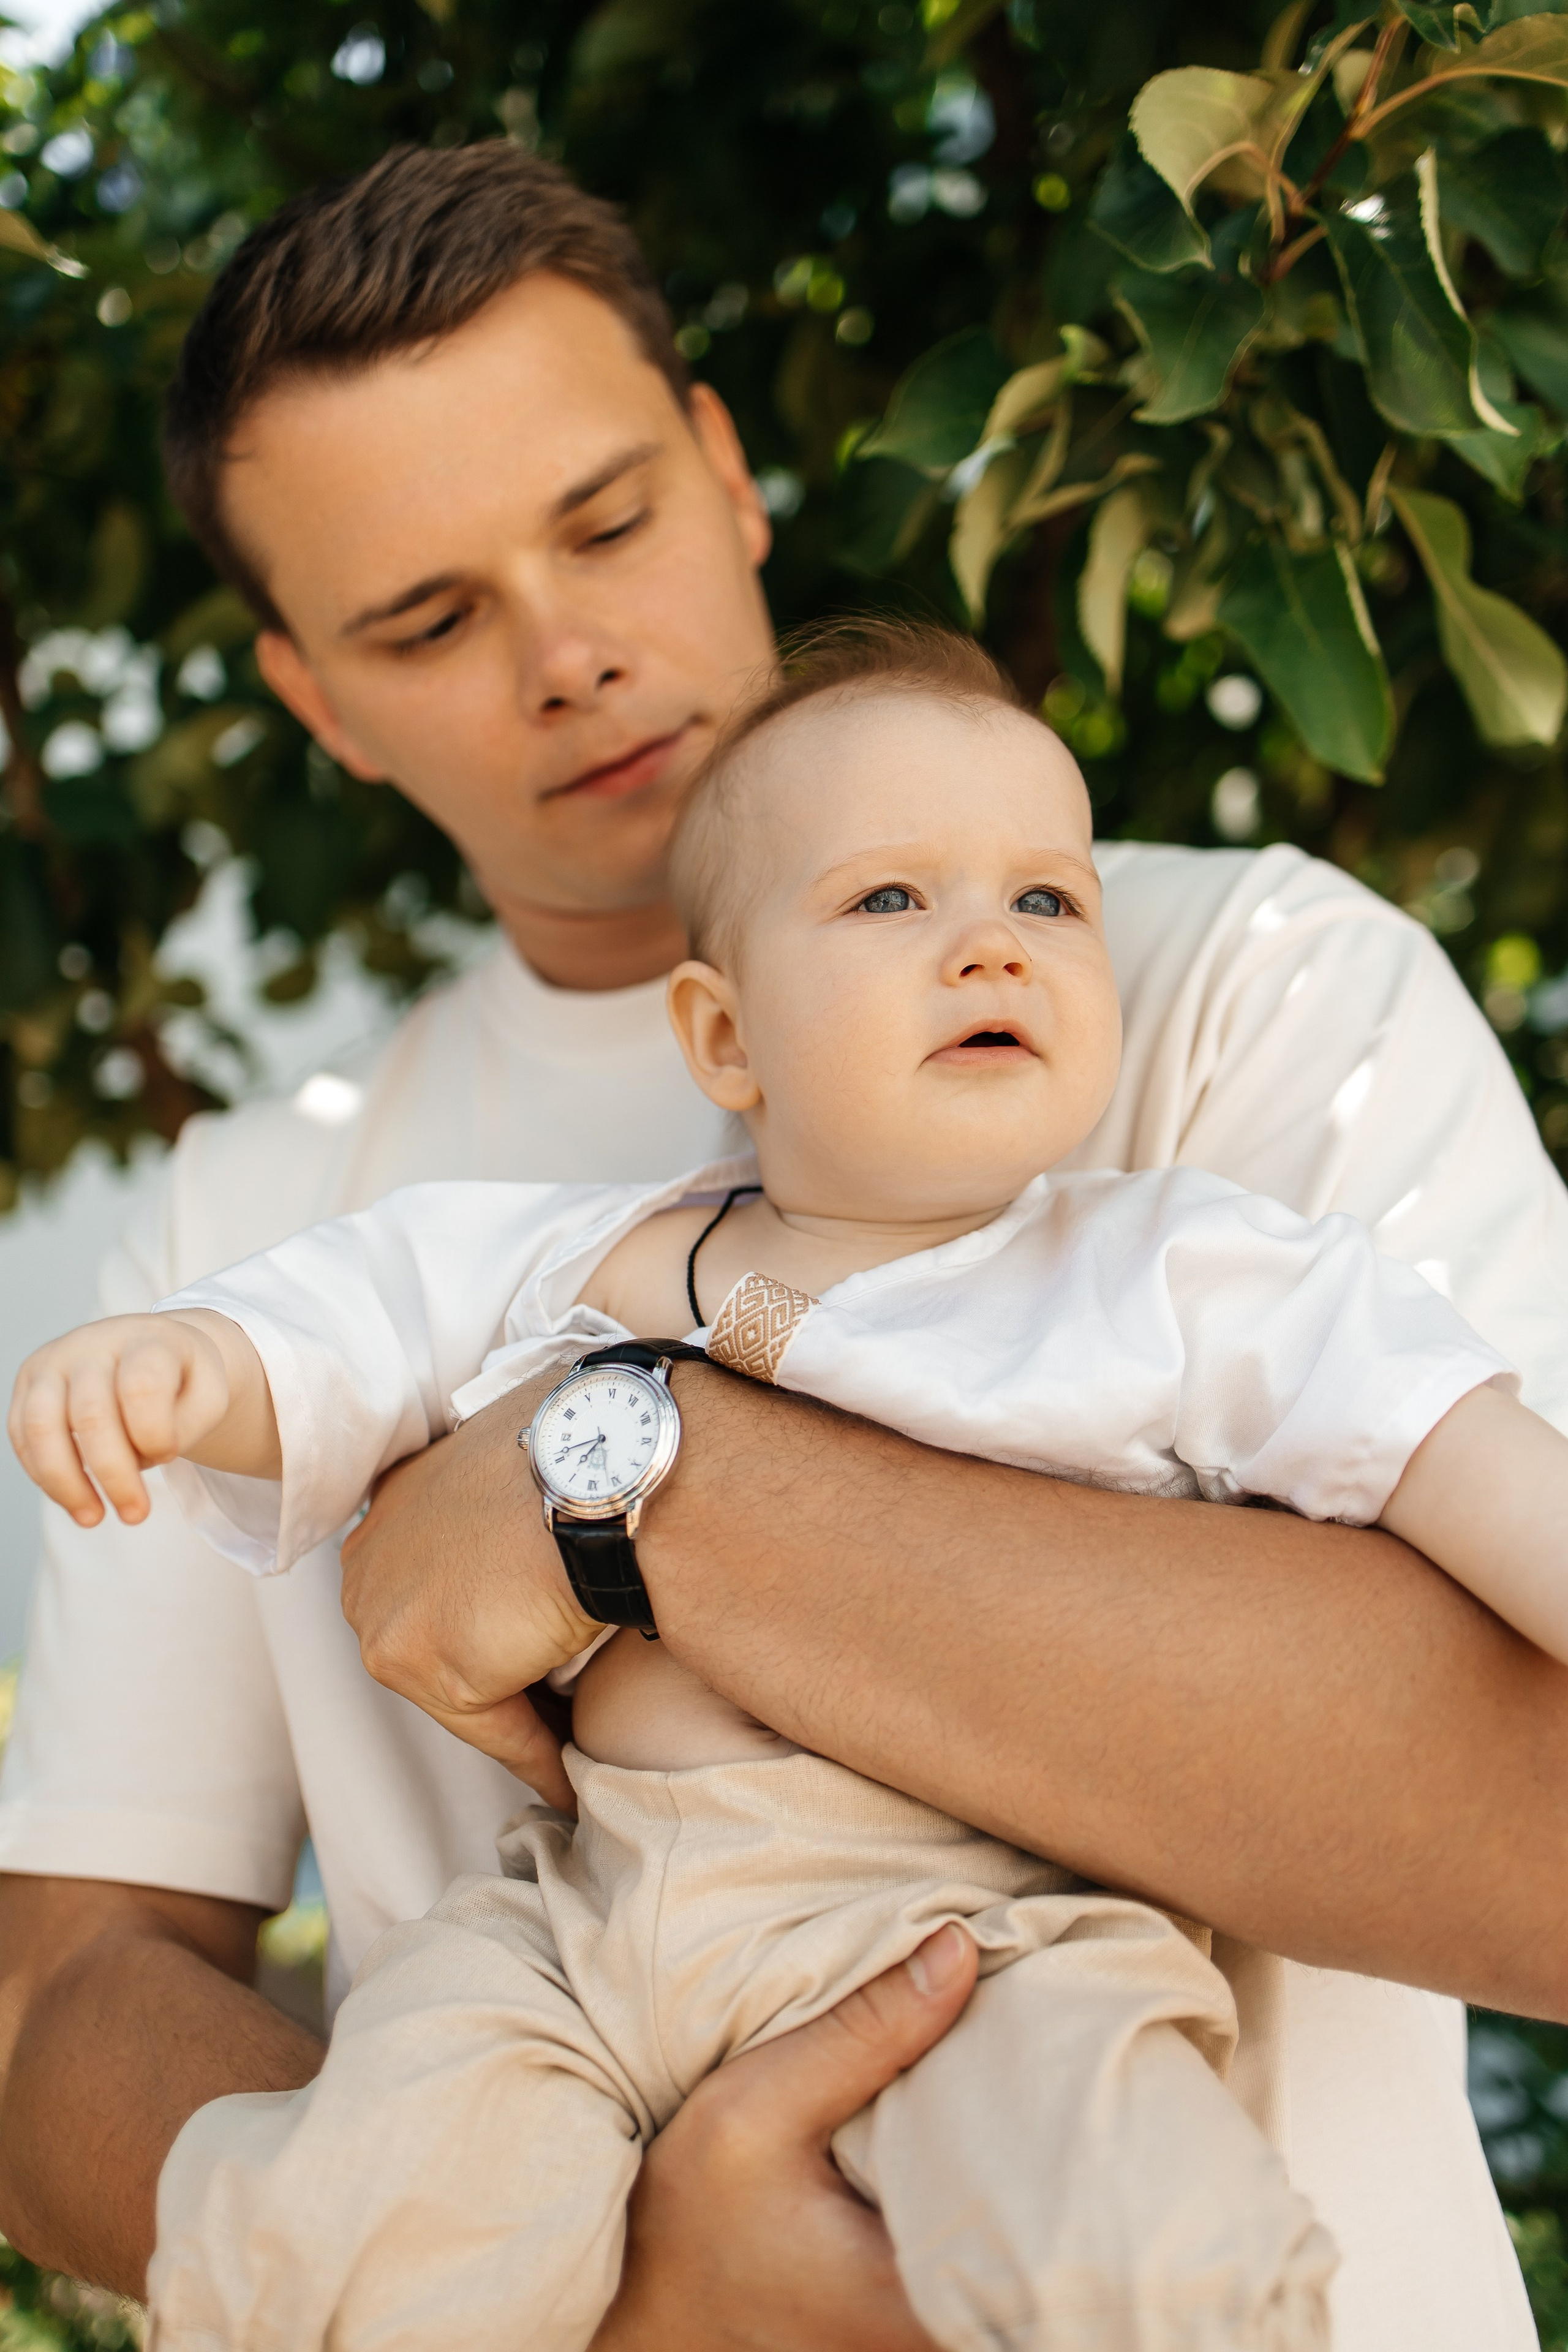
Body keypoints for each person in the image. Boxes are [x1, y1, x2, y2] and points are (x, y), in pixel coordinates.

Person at [0, 140, 1556, 2350]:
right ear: (314, 701)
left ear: (729, 473)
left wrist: (624, 1485)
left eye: (608, 520)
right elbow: (69, 1999)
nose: (569, 657)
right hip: (557, 2053)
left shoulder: (1244, 993)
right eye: (428, 623)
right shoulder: (249, 1234)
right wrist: (624, 2282)